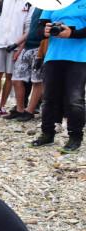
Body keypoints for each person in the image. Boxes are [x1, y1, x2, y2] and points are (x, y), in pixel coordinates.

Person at [30, 0, 86, 153]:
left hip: (80, 57)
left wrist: (72, 33)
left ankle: (75, 136)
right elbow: (38, 29)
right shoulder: (53, 3)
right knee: (49, 98)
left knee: (75, 99)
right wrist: (45, 31)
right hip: (54, 56)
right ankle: (47, 133)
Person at [4, 5, 44, 122]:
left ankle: (30, 111)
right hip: (27, 46)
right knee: (16, 79)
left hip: (40, 47)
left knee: (37, 80)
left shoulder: (51, 8)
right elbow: (30, 30)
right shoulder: (36, 8)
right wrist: (16, 44)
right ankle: (20, 109)